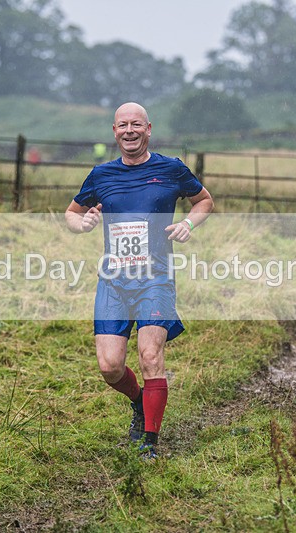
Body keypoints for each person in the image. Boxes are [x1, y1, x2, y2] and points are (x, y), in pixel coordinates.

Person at [65, 102, 214, 458]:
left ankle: (150, 442)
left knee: (150, 356)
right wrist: (82, 223)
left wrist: (187, 223)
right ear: (114, 131)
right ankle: (138, 402)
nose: (129, 131)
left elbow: (204, 201)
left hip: (155, 279)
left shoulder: (172, 169)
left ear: (149, 129)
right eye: (122, 125)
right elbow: (72, 212)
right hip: (113, 281)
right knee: (110, 366)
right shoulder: (101, 175)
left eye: (136, 125)